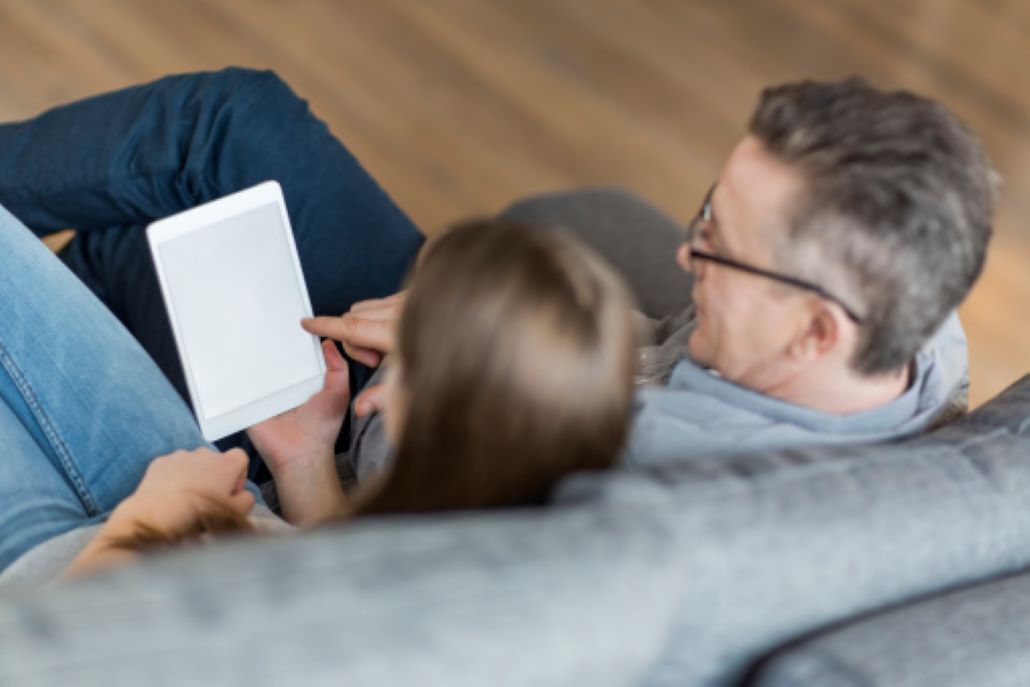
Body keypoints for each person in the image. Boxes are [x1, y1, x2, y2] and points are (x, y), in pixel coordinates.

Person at [309, 76, 995, 468]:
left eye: (717, 247)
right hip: (524, 357)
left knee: (224, 126)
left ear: (814, 332)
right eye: (705, 214)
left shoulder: (638, 470)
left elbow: (389, 515)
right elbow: (661, 339)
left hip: (380, 428)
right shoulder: (922, 325)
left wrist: (459, 337)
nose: (686, 252)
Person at [0, 218, 636, 583]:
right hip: (216, 509)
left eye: (408, 341)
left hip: (75, 582)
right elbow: (339, 574)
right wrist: (304, 461)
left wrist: (148, 520)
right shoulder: (497, 530)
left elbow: (49, 656)